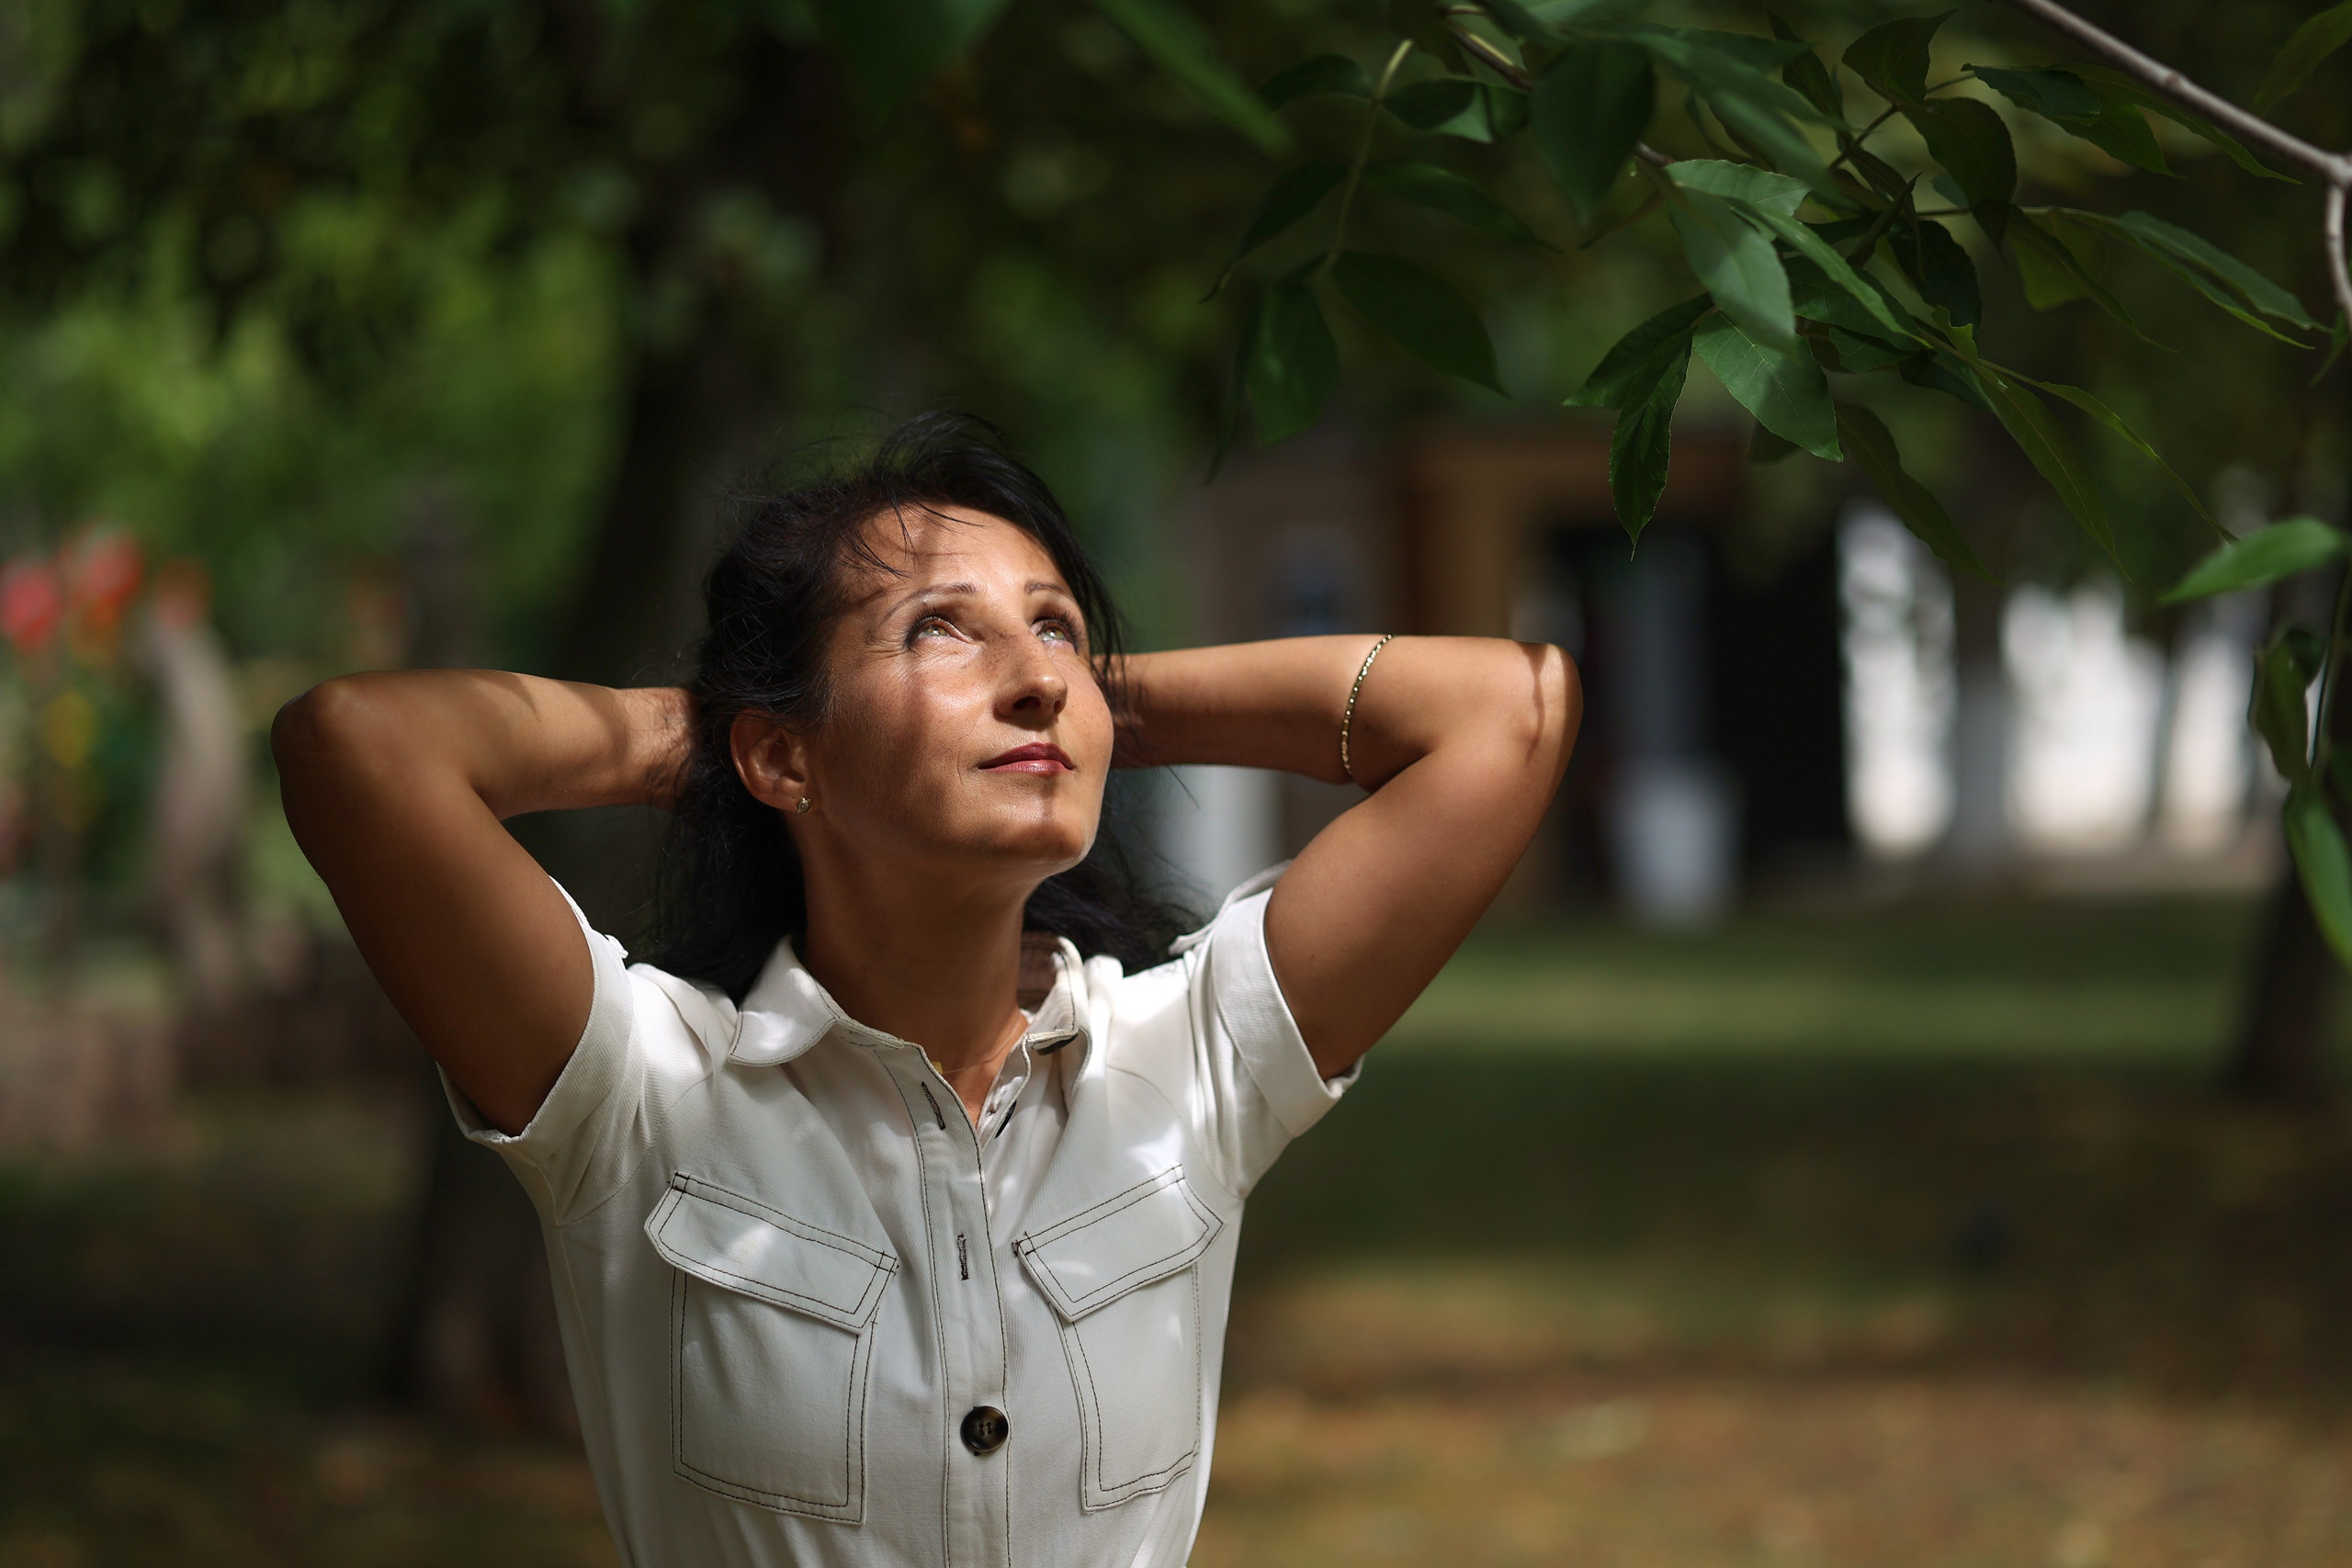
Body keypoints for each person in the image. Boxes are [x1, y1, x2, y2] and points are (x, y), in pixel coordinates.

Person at [274, 413, 1578, 1568]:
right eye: (941, 628)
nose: (1034, 673)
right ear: (783, 754)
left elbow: (1507, 710)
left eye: (1055, 625)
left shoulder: (1189, 1066)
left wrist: (1092, 712)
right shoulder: (640, 1095)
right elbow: (359, 749)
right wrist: (719, 740)